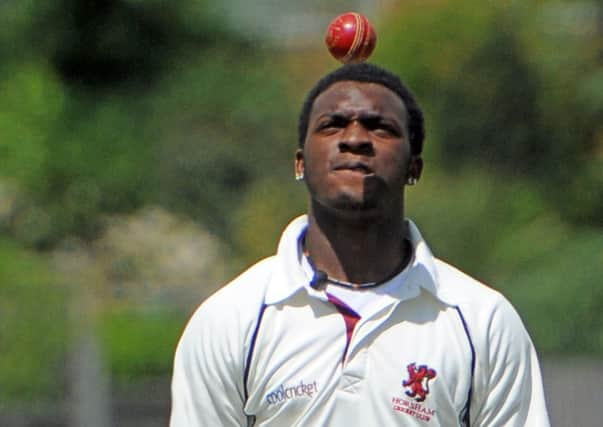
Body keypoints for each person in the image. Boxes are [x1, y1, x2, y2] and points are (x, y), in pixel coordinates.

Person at [169, 63, 550, 426]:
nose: (354, 139)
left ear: (413, 168)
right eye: (332, 125)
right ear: (300, 163)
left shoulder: (482, 322)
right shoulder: (232, 320)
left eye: (379, 127)